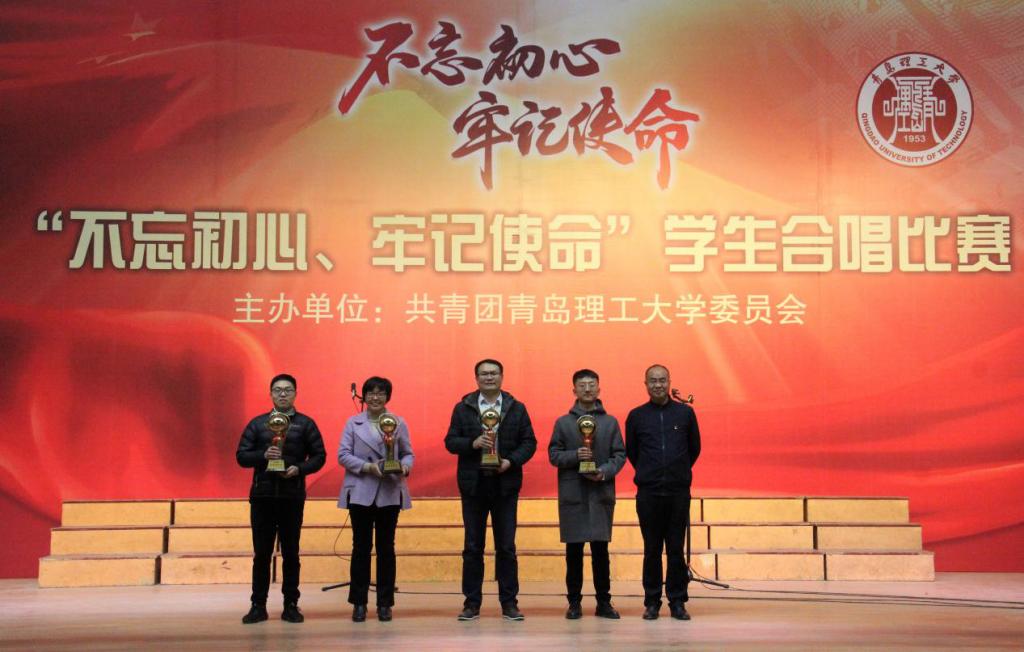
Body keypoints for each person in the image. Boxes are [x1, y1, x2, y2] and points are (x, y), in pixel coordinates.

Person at [444, 359, 537, 621]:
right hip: (473, 486)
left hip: (505, 485)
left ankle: (509, 603)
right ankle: (472, 603)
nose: (489, 377)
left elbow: (529, 442)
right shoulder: (463, 408)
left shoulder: (516, 408)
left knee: (506, 546)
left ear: (501, 376)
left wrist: (511, 461)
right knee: (473, 546)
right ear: (476, 378)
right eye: (484, 374)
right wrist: (472, 443)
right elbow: (450, 441)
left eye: (493, 373)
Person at [236, 373, 326, 624]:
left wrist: (300, 469)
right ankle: (258, 605)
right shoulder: (257, 424)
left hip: (291, 496)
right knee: (262, 554)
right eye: (278, 390)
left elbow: (319, 456)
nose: (283, 394)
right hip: (262, 496)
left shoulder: (306, 424)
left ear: (295, 394)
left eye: (287, 390)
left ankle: (291, 605)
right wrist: (262, 455)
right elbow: (241, 456)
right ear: (271, 394)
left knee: (291, 554)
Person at [548, 368, 627, 620]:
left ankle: (604, 602)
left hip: (600, 491)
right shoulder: (563, 423)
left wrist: (604, 472)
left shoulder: (610, 422)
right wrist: (575, 455)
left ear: (599, 389)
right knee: (573, 553)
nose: (587, 389)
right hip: (573, 493)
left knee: (601, 552)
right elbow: (553, 455)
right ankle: (574, 603)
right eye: (582, 385)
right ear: (574, 390)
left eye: (592, 384)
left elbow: (620, 455)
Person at [624, 364, 701, 621]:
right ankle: (652, 602)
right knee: (652, 549)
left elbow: (694, 449)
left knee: (676, 549)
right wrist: (651, 472)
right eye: (653, 381)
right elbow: (633, 452)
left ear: (669, 382)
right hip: (649, 493)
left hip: (678, 492)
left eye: (662, 380)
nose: (658, 384)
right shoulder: (636, 416)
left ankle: (677, 601)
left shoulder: (685, 413)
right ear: (645, 384)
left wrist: (677, 471)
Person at [337, 376, 414, 622]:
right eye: (371, 392)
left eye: (381, 393)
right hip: (360, 491)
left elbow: (408, 454)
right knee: (360, 548)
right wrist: (368, 468)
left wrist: (404, 466)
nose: (375, 397)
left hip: (389, 492)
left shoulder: (398, 422)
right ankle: (359, 603)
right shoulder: (353, 423)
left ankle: (385, 603)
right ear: (365, 396)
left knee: (386, 549)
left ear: (388, 397)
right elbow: (343, 455)